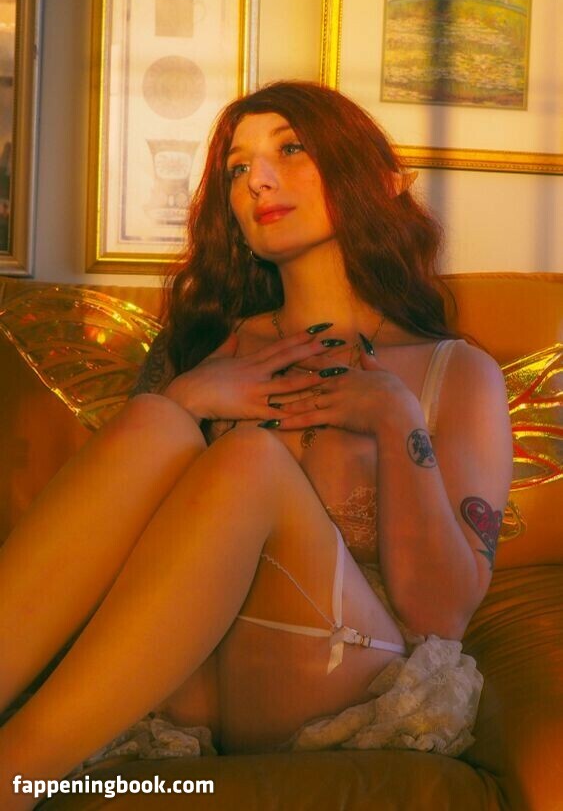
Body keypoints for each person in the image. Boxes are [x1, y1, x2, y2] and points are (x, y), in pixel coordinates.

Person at [0, 81, 513, 807]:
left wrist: (398, 420)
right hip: (173, 684)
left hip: (336, 680)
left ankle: (14, 772)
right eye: (237, 167)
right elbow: (99, 547)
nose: (257, 181)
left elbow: (441, 615)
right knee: (158, 420)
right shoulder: (205, 350)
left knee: (248, 459)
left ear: (379, 179)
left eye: (290, 149)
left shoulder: (452, 371)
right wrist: (186, 397)